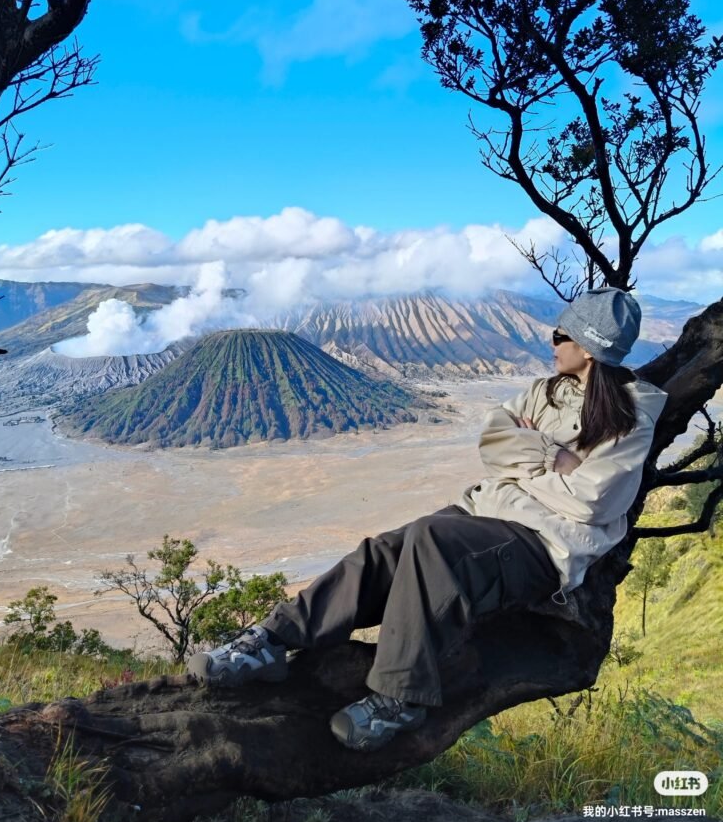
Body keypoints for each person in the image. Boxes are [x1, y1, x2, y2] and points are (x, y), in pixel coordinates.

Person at [187, 288, 667, 752]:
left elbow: (593, 503)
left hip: (544, 545)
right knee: (383, 552)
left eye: (560, 334)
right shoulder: (545, 391)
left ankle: (401, 697)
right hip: (487, 513)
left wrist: (524, 470)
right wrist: (551, 456)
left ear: (585, 347)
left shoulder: (630, 417)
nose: (552, 341)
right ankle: (272, 639)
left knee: (430, 539)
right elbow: (493, 443)